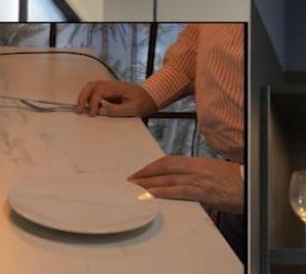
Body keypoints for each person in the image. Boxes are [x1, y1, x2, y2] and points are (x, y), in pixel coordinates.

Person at [77, 23, 246, 258]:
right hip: (240, 181)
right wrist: (152, 92)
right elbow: (200, 39)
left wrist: (248, 182)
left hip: (281, 187)